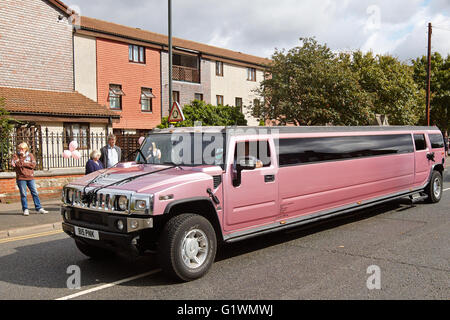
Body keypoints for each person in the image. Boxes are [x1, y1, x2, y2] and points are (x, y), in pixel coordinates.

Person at [11, 142, 48, 216]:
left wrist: (24, 164)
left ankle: (39, 208)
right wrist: (22, 158)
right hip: (21, 178)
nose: (21, 150)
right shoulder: (16, 156)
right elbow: (17, 165)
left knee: (35, 193)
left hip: (30, 177)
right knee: (23, 194)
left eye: (22, 148)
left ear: (26, 149)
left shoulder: (30, 155)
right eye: (20, 148)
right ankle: (25, 209)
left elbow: (33, 165)